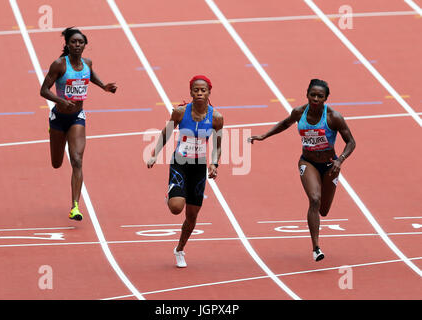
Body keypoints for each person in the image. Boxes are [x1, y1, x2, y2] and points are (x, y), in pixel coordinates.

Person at [248, 79, 356, 261]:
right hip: (308, 162)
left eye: (319, 96)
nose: (315, 98)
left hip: (330, 166)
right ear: (306, 95)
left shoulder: (333, 117)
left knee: (323, 210)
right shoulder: (299, 112)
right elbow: (285, 123)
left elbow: (351, 142)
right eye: (312, 95)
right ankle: (316, 248)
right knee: (314, 200)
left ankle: (317, 234)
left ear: (325, 99)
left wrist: (341, 161)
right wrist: (264, 135)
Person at [40, 27, 117, 221]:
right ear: (67, 44)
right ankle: (54, 131)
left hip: (77, 118)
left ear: (85, 45)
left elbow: (90, 75)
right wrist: (60, 101)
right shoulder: (59, 65)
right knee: (56, 163)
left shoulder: (87, 63)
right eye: (73, 42)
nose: (77, 45)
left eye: (80, 42)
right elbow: (43, 90)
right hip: (58, 118)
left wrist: (104, 87)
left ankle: (75, 206)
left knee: (77, 160)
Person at [147, 75, 224, 267]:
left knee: (191, 216)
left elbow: (218, 144)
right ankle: (171, 193)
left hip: (199, 167)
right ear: (190, 92)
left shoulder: (216, 118)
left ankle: (179, 249)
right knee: (176, 208)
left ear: (209, 93)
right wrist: (155, 154)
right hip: (180, 161)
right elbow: (166, 133)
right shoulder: (180, 112)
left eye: (203, 90)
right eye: (196, 90)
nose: (199, 93)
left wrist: (214, 163)